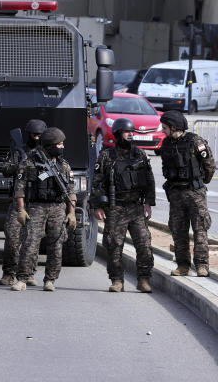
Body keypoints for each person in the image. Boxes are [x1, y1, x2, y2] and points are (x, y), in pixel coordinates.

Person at [91, 118, 155, 293]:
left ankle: (143, 279)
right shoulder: (106, 156)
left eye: (131, 132)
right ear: (118, 134)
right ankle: (117, 280)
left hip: (136, 208)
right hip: (115, 208)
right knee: (113, 245)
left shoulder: (140, 155)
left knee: (144, 244)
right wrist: (97, 206)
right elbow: (97, 183)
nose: (130, 135)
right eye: (127, 132)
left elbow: (149, 180)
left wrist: (148, 203)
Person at [12, 127, 76, 292]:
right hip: (36, 207)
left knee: (56, 245)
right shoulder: (30, 162)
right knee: (30, 243)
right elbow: (19, 188)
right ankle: (22, 278)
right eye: (59, 144)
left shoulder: (63, 165)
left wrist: (71, 213)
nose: (62, 147)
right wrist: (21, 209)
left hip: (57, 207)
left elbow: (70, 190)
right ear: (49, 145)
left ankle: (50, 280)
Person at [159, 110, 215, 277]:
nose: (162, 130)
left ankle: (202, 266)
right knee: (178, 230)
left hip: (194, 193)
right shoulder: (166, 144)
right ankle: (183, 265)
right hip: (175, 193)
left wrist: (199, 182)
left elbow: (209, 165)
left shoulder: (195, 142)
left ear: (173, 127)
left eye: (165, 127)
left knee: (200, 230)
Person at [0, 119, 46, 287]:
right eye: (34, 135)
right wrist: (20, 165)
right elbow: (5, 170)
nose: (37, 138)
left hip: (38, 202)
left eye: (40, 135)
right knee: (12, 236)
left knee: (33, 239)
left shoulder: (47, 152)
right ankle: (9, 273)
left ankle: (29, 273)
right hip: (18, 200)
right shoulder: (18, 151)